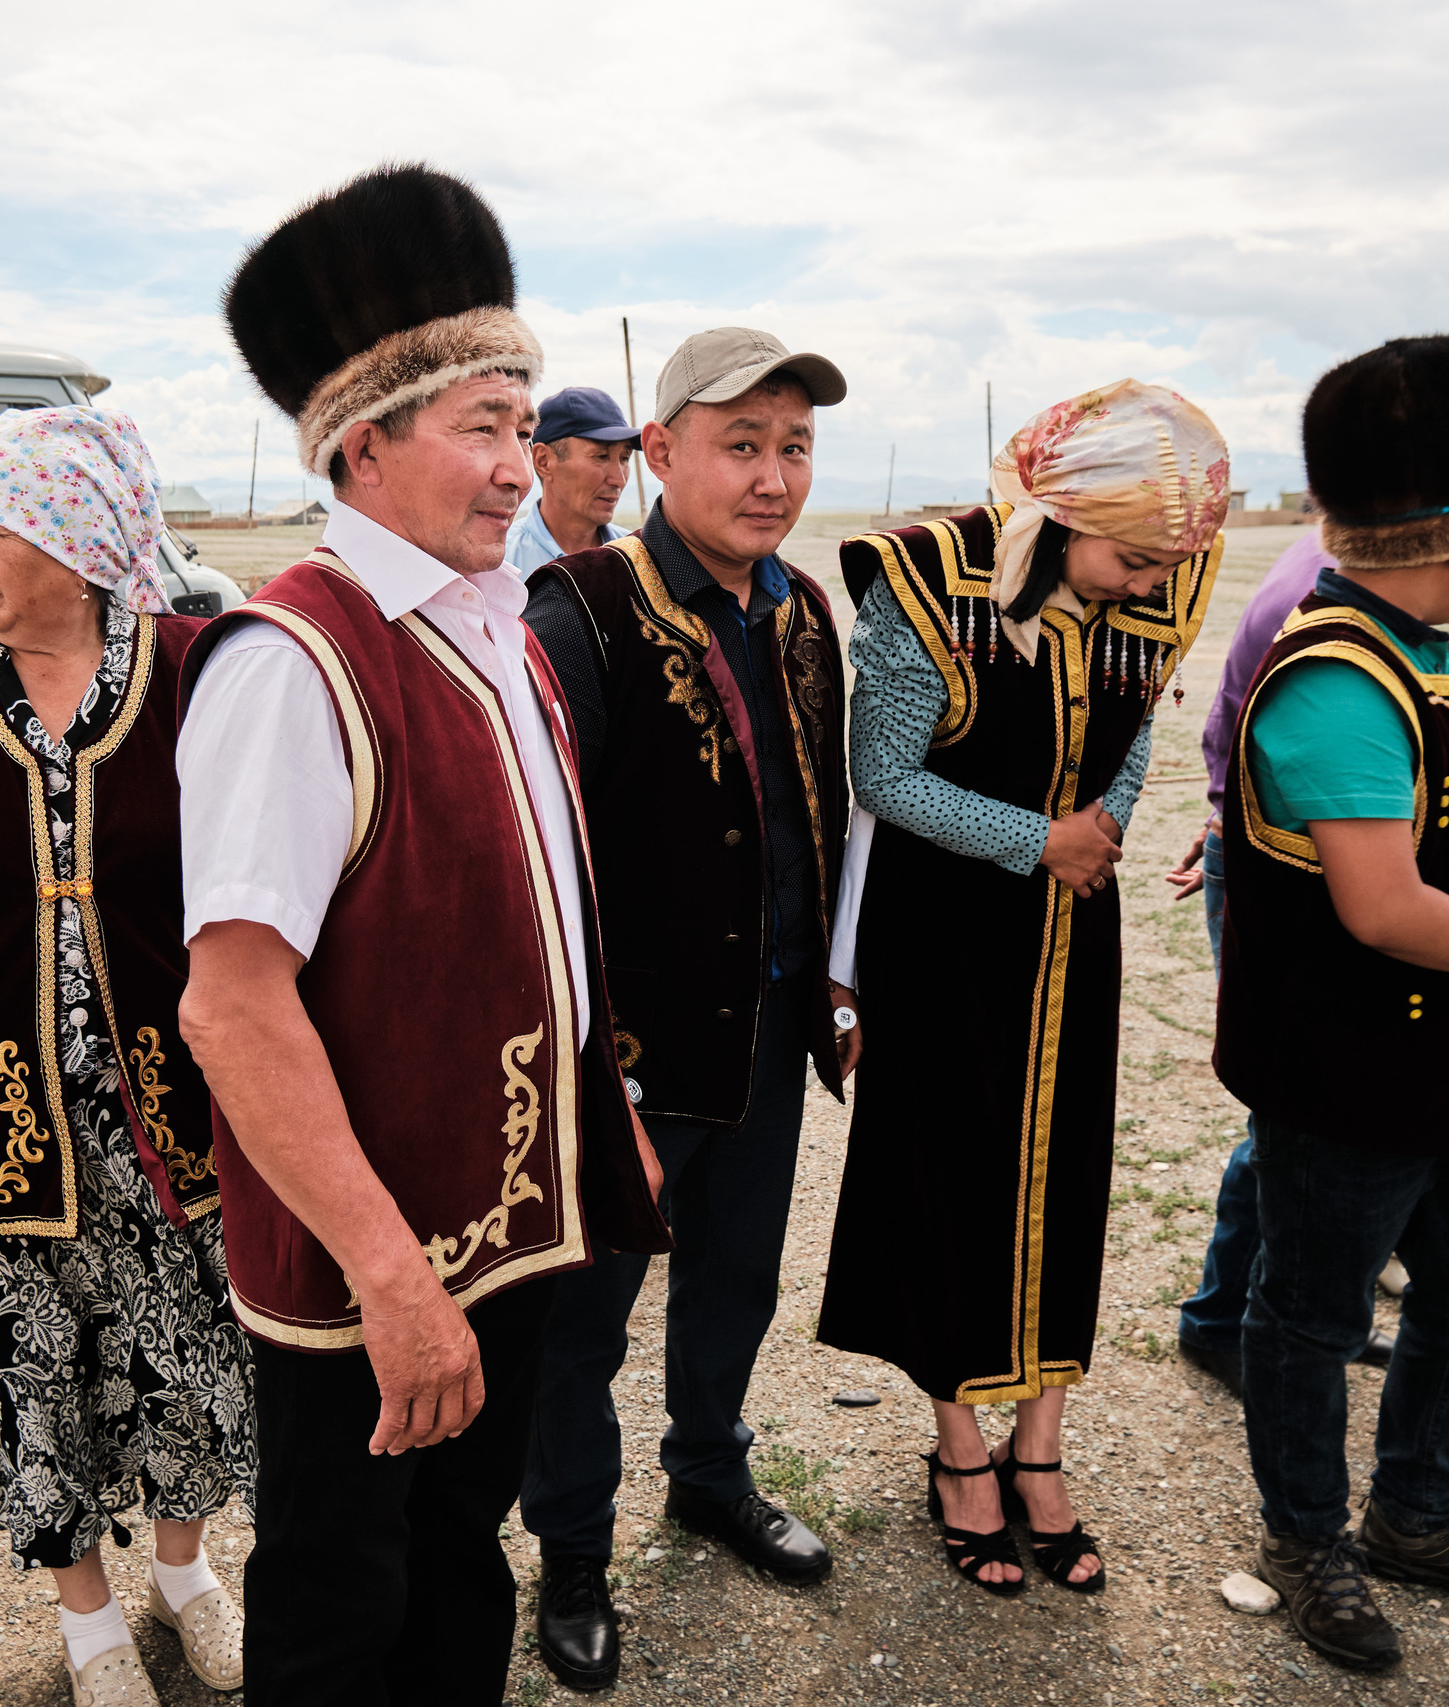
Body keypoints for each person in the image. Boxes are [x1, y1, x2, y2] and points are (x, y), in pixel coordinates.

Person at [179, 164, 670, 1707]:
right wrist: (393, 1279)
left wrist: (606, 1117)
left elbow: (537, 915)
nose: (523, 465)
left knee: (462, 1551)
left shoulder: (496, 626)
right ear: (363, 443)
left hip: (505, 1217)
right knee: (341, 1598)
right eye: (484, 424)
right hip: (371, 1258)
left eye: (527, 423)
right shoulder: (294, 660)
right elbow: (232, 1009)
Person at [0, 405, 252, 1706]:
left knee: (190, 1343)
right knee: (34, 1357)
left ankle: (185, 1572)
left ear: (79, 540)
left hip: (172, 1093)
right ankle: (86, 1623)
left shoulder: (194, 668)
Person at [1214, 337, 1449, 1671]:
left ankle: (1419, 1509)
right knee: (1313, 1314)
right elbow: (1382, 904)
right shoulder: (1337, 677)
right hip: (1348, 1079)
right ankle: (1305, 1535)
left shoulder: (1430, 657)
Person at [817, 380, 1229, 1599]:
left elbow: (1134, 722)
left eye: (1166, 567)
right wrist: (1035, 840)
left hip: (1071, 922)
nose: (1149, 587)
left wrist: (1103, 825)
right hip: (941, 929)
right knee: (946, 1174)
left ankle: (1038, 1443)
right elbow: (882, 773)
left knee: (1066, 1170)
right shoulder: (924, 581)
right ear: (1058, 517)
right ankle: (958, 1445)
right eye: (1131, 560)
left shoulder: (1158, 582)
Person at [518, 328, 850, 1686]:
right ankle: (573, 1551)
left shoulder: (801, 609)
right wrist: (585, 1074)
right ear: (659, 452)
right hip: (630, 1057)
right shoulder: (581, 609)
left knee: (735, 1278)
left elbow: (820, 816)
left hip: (765, 1033)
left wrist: (839, 976)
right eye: (742, 445)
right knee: (582, 1324)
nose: (773, 478)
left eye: (794, 447)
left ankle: (709, 1472)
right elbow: (545, 864)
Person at [1166, 453, 1449, 1397]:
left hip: (1314, 845)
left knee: (1310, 1124)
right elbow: (1357, 853)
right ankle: (1236, 1318)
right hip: (1315, 870)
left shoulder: (1373, 591)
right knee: (1306, 1115)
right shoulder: (1345, 619)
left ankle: (1256, 1302)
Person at [505, 386, 638, 572]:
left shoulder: (638, 560)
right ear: (543, 461)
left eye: (624, 458)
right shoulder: (500, 562)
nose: (619, 480)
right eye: (601, 456)